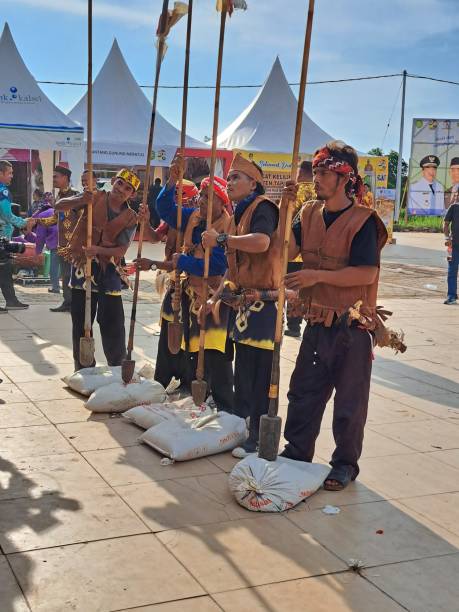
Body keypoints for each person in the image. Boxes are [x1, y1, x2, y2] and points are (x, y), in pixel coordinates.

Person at [280, 140, 388, 491]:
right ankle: (296, 452)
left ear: (344, 177)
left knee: (350, 402)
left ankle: (344, 464)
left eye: (324, 173)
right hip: (316, 322)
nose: (317, 179)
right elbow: (288, 251)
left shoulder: (363, 221)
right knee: (303, 393)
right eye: (317, 172)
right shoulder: (309, 212)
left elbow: (366, 273)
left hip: (352, 327)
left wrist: (317, 276)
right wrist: (286, 208)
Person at [138, 157, 234, 411]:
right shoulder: (194, 216)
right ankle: (192, 392)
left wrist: (183, 262)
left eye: (207, 198)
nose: (201, 201)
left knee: (214, 352)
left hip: (214, 298)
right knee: (190, 346)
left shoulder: (227, 227)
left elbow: (215, 266)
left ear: (221, 204)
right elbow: (166, 210)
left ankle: (223, 403)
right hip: (189, 293)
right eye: (201, 196)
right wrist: (171, 180)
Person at [202, 153, 281, 457]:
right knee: (244, 373)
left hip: (264, 305)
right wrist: (214, 297)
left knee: (260, 375)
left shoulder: (262, 208)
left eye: (237, 177)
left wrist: (222, 239)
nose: (231, 181)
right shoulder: (239, 214)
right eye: (230, 176)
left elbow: (261, 243)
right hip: (243, 304)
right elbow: (232, 268)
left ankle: (258, 436)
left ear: (254, 183)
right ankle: (245, 428)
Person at [55, 168, 145, 371]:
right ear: (113, 182)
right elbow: (59, 205)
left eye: (128, 188)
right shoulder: (93, 196)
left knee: (112, 320)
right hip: (81, 264)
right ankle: (84, 366)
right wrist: (80, 200)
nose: (121, 189)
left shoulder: (130, 217)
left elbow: (121, 250)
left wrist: (97, 250)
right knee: (80, 320)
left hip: (108, 267)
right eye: (120, 183)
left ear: (132, 194)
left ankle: (117, 367)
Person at [285, 160, 315, 338]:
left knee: (293, 288)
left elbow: (289, 218)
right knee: (310, 290)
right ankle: (311, 321)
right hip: (315, 254)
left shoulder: (297, 192)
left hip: (295, 251)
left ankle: (294, 325)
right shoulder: (322, 193)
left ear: (302, 173)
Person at [0, 160, 33, 311]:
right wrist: (23, 222)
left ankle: (12, 300)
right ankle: (12, 301)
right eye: (10, 173)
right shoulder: (3, 191)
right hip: (2, 238)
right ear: (1, 173)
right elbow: (7, 215)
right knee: (4, 269)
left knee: (5, 271)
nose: (12, 176)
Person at [49, 165, 79, 313]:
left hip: (73, 245)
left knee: (74, 275)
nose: (53, 179)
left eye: (56, 176)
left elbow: (83, 220)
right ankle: (67, 302)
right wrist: (34, 221)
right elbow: (54, 219)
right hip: (61, 244)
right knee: (65, 275)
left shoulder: (76, 196)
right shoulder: (59, 197)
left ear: (65, 178)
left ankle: (75, 303)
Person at [33, 193, 60, 293]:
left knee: (54, 266)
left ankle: (56, 287)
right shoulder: (54, 211)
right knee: (66, 267)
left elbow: (40, 236)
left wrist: (38, 252)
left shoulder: (41, 216)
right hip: (65, 240)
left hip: (55, 242)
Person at [443, 193, 459, 305]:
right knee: (452, 271)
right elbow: (445, 224)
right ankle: (451, 296)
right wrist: (447, 237)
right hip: (454, 245)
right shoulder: (454, 207)